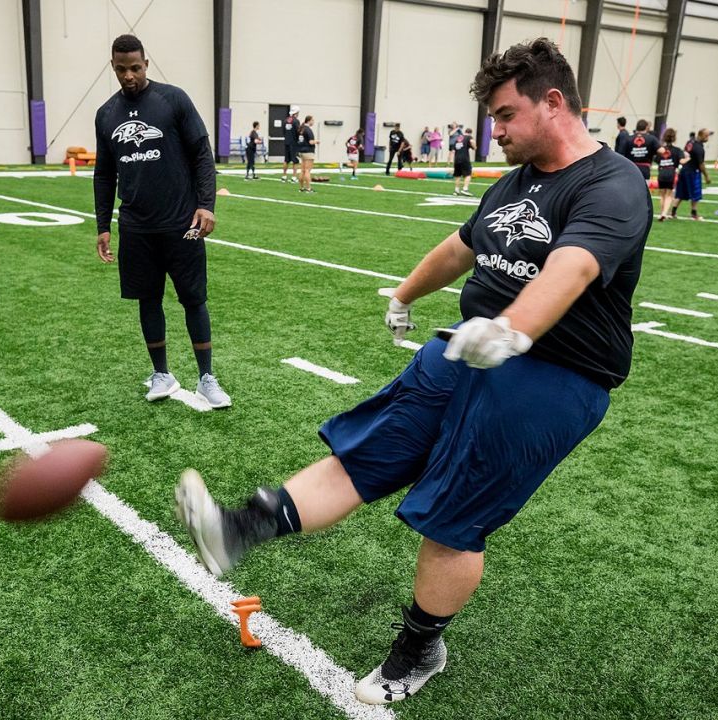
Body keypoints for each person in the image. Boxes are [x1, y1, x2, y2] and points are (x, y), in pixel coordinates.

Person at [175, 37, 650, 705]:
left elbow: (571, 268)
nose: (498, 132)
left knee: (451, 517)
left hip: (555, 372)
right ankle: (238, 529)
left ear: (552, 102)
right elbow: (460, 248)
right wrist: (404, 294)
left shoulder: (613, 183)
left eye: (507, 115)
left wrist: (513, 329)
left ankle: (421, 648)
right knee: (369, 452)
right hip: (467, 348)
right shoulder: (518, 182)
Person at [93, 33, 232, 409]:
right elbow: (104, 174)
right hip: (137, 228)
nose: (129, 75)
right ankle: (162, 374)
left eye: (135, 67)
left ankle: (207, 377)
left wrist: (206, 204)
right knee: (148, 300)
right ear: (113, 67)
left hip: (182, 224)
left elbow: (202, 156)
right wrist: (103, 225)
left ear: (146, 64)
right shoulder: (106, 114)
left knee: (194, 300)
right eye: (121, 69)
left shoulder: (174, 100)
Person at [669, 127, 713, 221]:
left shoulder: (690, 142)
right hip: (692, 172)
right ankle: (694, 214)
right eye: (706, 136)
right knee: (695, 193)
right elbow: (701, 164)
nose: (707, 138)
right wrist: (706, 176)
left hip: (684, 170)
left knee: (680, 193)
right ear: (700, 135)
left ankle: (673, 212)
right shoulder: (699, 148)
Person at [654, 127, 684, 221]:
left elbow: (657, 160)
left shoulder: (661, 150)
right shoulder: (677, 150)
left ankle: (662, 212)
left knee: (662, 194)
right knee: (669, 195)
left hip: (661, 173)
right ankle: (664, 213)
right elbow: (681, 161)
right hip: (671, 173)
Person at [296, 115, 317, 193]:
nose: (313, 122)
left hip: (301, 151)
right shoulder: (308, 130)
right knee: (307, 170)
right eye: (312, 120)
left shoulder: (301, 129)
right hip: (308, 151)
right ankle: (308, 188)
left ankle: (301, 188)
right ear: (309, 121)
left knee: (302, 170)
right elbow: (311, 142)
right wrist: (317, 142)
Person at [451, 127, 474, 196]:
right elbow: (472, 142)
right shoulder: (469, 137)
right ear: (470, 132)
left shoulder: (459, 138)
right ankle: (465, 189)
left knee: (458, 175)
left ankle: (456, 190)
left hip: (457, 158)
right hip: (464, 158)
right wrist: (474, 147)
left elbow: (453, 149)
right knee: (468, 174)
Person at [282, 107, 300, 183]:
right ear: (296, 113)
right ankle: (294, 177)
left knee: (286, 160)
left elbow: (283, 132)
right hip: (294, 143)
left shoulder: (285, 120)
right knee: (295, 160)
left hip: (286, 142)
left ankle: (284, 176)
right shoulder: (296, 121)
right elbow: (298, 132)